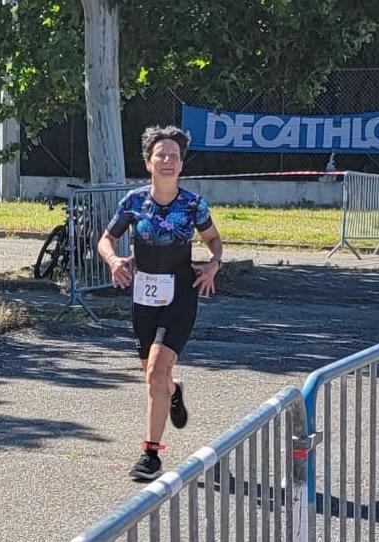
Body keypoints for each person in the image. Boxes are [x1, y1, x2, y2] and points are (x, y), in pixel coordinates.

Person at [98, 125, 223, 481]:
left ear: (181, 164)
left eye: (174, 156)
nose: (167, 161)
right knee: (155, 378)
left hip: (181, 294)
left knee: (155, 373)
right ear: (148, 162)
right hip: (144, 297)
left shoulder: (193, 204)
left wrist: (214, 264)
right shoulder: (134, 202)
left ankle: (150, 456)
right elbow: (106, 239)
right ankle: (174, 391)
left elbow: (214, 241)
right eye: (161, 155)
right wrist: (113, 260)